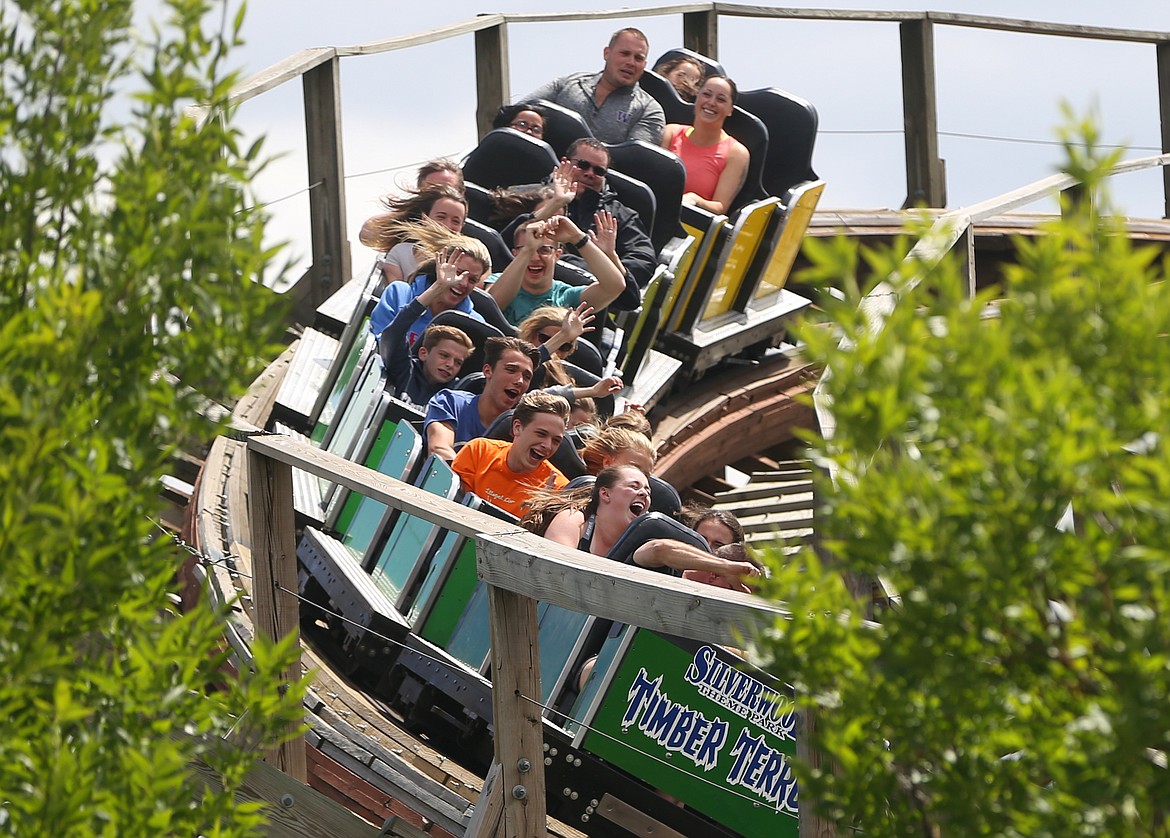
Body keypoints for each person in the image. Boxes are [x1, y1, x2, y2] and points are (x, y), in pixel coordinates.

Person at [528, 465, 762, 589]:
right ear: (605, 493)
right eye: (634, 486)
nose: (644, 493)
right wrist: (724, 566)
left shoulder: (640, 542)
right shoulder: (575, 520)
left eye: (648, 491)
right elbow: (555, 574)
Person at [516, 139, 657, 296]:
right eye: (583, 165)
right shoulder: (528, 195)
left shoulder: (619, 216)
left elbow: (643, 261)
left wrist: (606, 261)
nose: (590, 174)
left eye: (599, 171)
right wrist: (555, 204)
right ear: (565, 162)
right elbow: (503, 240)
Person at [521, 28, 664, 145]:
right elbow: (519, 110)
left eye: (638, 58)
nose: (631, 63)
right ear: (606, 53)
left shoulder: (649, 110)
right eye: (624, 54)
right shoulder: (569, 83)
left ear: (644, 65)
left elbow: (633, 160)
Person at [488, 214, 625, 326]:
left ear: (557, 255)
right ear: (515, 254)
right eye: (526, 249)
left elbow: (614, 286)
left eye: (544, 250)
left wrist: (577, 237)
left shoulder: (565, 297)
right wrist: (528, 250)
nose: (535, 258)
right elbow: (490, 307)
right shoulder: (497, 280)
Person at [452, 391, 571, 518]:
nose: (547, 446)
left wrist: (540, 512)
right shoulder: (478, 451)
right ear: (517, 428)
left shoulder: (558, 489)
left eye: (556, 441)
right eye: (541, 434)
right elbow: (454, 509)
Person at [367, 223, 489, 345]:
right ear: (440, 265)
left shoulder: (474, 323)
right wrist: (438, 287)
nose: (463, 283)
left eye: (472, 280)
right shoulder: (399, 294)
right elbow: (381, 345)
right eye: (457, 273)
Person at [423, 336, 540, 462]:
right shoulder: (450, 402)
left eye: (527, 377)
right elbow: (439, 450)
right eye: (511, 370)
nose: (520, 381)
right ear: (488, 371)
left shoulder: (520, 431)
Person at [378, 261, 475, 405]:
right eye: (444, 355)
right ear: (424, 353)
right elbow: (394, 333)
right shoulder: (406, 370)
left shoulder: (455, 397)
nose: (450, 364)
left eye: (458, 362)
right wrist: (438, 287)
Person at [661, 75, 750, 215]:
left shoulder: (736, 153)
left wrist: (695, 200)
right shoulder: (670, 132)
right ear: (697, 98)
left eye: (721, 99)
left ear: (730, 110)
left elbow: (720, 207)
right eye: (706, 95)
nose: (711, 102)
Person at [360, 185, 468, 287]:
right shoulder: (401, 252)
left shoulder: (467, 259)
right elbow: (367, 233)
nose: (447, 225)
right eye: (441, 217)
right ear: (425, 218)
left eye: (455, 221)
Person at [359, 158, 465, 252]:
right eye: (433, 189)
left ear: (461, 193)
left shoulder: (466, 230)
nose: (441, 194)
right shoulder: (407, 222)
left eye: (447, 188)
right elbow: (367, 235)